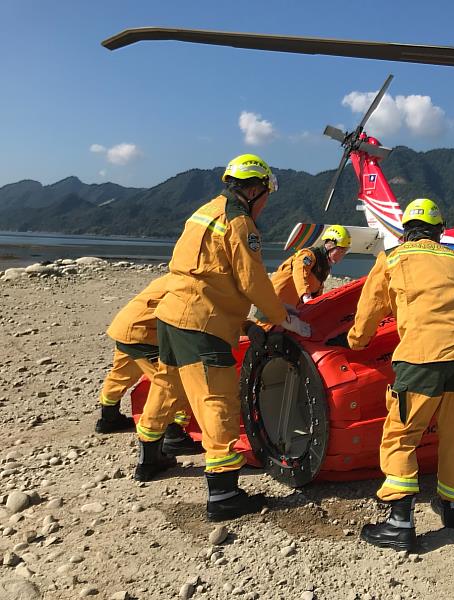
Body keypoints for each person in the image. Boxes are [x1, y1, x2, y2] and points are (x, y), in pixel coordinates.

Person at [134, 153, 311, 521]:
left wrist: (243, 322)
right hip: (202, 323)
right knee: (217, 399)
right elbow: (250, 279)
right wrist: (281, 316)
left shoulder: (206, 211)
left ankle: (149, 459)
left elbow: (212, 274)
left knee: (167, 385)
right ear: (257, 189)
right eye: (266, 194)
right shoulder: (239, 221)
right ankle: (224, 492)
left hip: (170, 314)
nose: (266, 203)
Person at [328, 198, 454, 551]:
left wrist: (355, 341)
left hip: (423, 356)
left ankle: (399, 523)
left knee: (401, 434)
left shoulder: (394, 257)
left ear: (405, 230)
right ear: (439, 231)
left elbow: (369, 309)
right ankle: (451, 507)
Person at [96, 275, 201, 455]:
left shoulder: (173, 275)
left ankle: (108, 418)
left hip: (125, 327)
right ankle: (173, 434)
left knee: (121, 374)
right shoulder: (194, 285)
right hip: (146, 335)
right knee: (175, 384)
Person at [252, 224, 351, 327]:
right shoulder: (308, 255)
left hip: (291, 310)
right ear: (330, 246)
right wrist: (306, 296)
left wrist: (317, 307)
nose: (342, 255)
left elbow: (317, 290)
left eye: (345, 251)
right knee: (263, 333)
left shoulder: (324, 266)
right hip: (275, 304)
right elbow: (299, 273)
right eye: (341, 250)